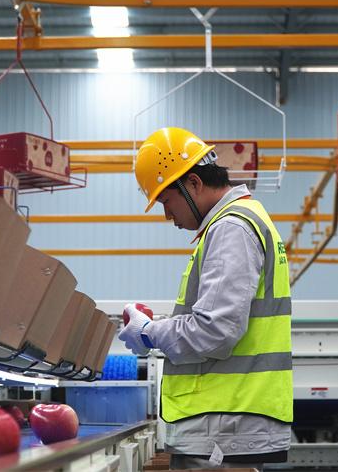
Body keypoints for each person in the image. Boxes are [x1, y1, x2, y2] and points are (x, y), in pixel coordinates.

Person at [119, 127, 293, 471]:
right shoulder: (238, 223)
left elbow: (215, 330)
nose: (168, 216)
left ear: (194, 183)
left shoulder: (232, 229)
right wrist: (157, 328)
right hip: (227, 424)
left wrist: (149, 332)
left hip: (224, 424)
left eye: (166, 201)